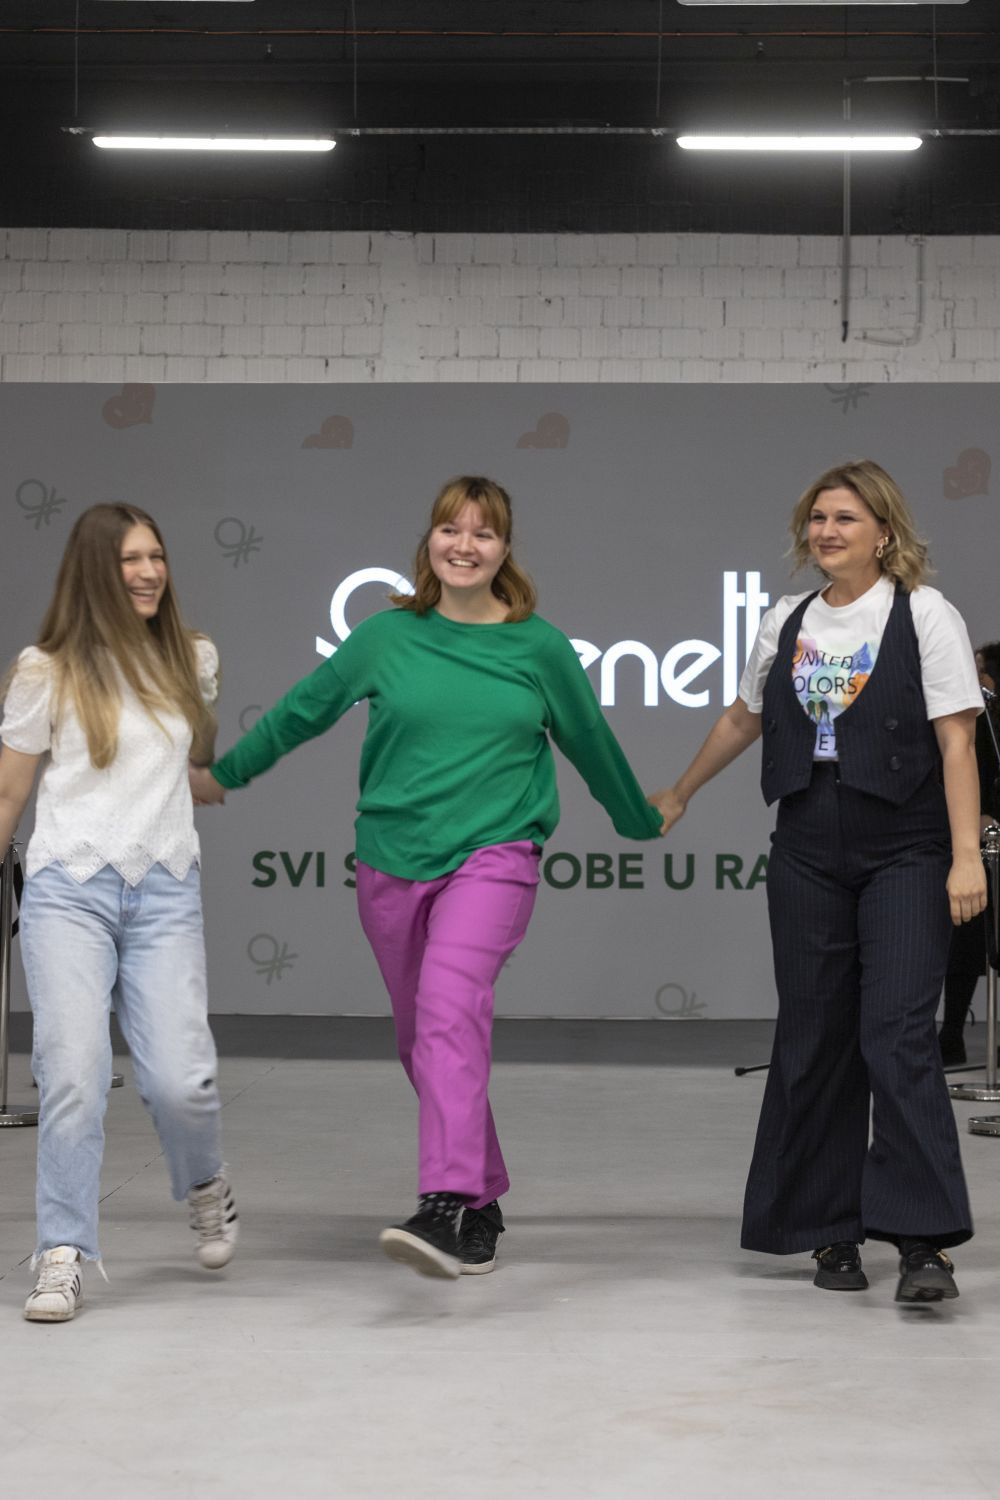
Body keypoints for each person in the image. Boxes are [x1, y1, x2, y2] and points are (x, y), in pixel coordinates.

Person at [190, 475, 663, 1280]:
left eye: (483, 533)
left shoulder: (539, 648)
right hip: (391, 859)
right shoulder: (386, 637)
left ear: (505, 550)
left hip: (494, 856)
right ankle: (483, 1198)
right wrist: (227, 771)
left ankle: (444, 1203)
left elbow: (590, 740)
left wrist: (640, 817)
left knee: (448, 1008)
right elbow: (304, 709)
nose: (464, 545)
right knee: (425, 1041)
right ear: (430, 541)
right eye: (451, 529)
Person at [651, 460, 985, 1305]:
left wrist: (965, 856)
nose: (827, 532)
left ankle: (922, 1241)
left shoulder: (925, 613)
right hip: (806, 843)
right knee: (815, 1035)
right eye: (818, 518)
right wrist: (681, 792)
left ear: (885, 532)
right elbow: (743, 717)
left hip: (904, 846)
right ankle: (828, 1230)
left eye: (845, 518)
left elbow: (956, 741)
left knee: (897, 1037)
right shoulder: (787, 620)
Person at [0, 504, 238, 1324]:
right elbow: (10, 791)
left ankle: (204, 1180)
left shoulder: (192, 658)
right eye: (130, 558)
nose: (147, 571)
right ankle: (63, 1251)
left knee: (180, 1082)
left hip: (165, 890)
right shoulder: (45, 671)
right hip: (68, 893)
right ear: (94, 570)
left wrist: (215, 777)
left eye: (156, 556)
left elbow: (190, 761)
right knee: (72, 1074)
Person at [938, 641, 1000, 1066]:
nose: (975, 677)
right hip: (974, 844)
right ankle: (951, 1034)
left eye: (981, 669)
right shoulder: (968, 719)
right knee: (963, 941)